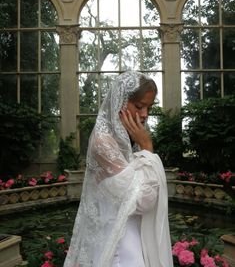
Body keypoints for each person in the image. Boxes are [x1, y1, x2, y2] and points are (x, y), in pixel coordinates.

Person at [63, 71, 173, 267]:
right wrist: (148, 148)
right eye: (139, 106)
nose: (145, 114)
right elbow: (143, 201)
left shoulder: (128, 142)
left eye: (148, 107)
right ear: (119, 102)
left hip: (131, 236)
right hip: (120, 246)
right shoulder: (103, 143)